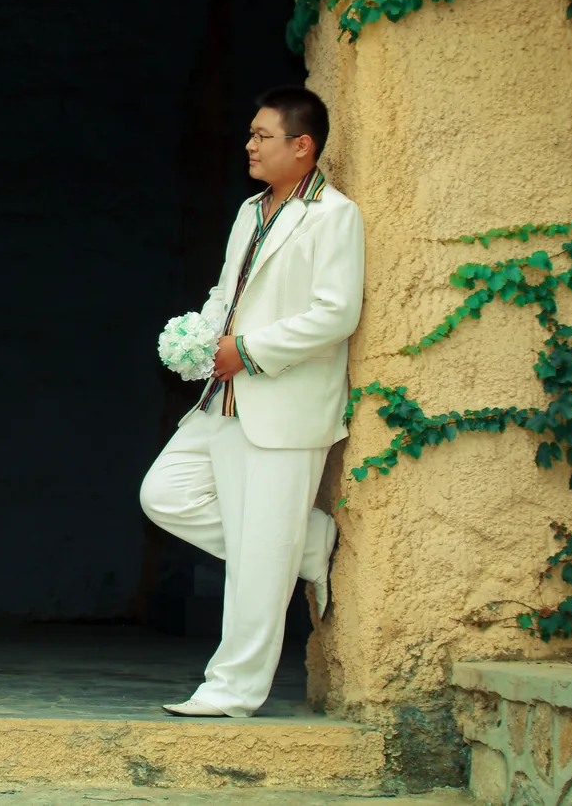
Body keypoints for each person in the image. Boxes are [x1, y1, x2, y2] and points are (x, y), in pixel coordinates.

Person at [139, 85, 364, 719]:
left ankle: (233, 690)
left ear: (303, 145)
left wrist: (249, 349)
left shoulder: (334, 215)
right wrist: (202, 338)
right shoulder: (250, 210)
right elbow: (226, 291)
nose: (250, 146)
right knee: (164, 494)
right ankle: (308, 542)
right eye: (251, 134)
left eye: (263, 136)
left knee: (261, 556)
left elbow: (336, 314)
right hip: (223, 396)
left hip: (283, 403)